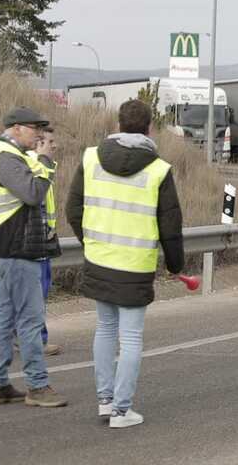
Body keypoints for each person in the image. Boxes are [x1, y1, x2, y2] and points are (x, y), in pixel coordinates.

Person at [66, 99, 184, 428]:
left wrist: (90, 242)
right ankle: (121, 410)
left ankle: (105, 402)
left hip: (99, 258)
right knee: (130, 338)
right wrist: (176, 266)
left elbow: (73, 210)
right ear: (149, 129)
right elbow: (171, 226)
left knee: (104, 329)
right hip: (134, 264)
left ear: (118, 126)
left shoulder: (91, 159)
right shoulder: (158, 169)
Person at [0, 106, 67, 408]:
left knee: (4, 319)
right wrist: (46, 162)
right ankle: (37, 386)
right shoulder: (6, 158)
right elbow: (32, 194)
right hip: (15, 250)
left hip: (8, 250)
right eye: (33, 128)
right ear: (15, 128)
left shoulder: (7, 157)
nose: (39, 134)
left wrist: (40, 163)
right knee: (29, 320)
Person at [22, 126, 64, 357]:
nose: (54, 145)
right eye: (50, 141)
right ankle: (37, 338)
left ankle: (25, 336)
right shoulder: (33, 166)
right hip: (34, 241)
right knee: (36, 294)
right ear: (39, 144)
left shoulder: (42, 166)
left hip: (43, 239)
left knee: (38, 292)